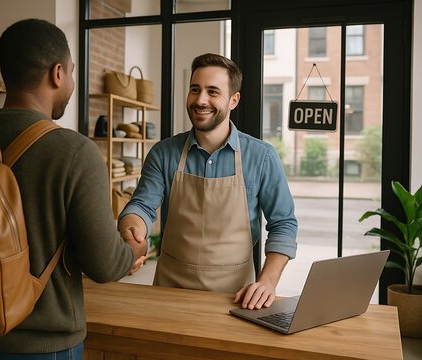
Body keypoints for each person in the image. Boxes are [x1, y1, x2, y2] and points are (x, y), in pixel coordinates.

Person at [0, 19, 147, 359]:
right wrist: (132, 253)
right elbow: (104, 264)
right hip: (41, 346)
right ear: (58, 73)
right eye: (73, 73)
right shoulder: (74, 151)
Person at [118, 53, 297, 311]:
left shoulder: (262, 157)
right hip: (169, 296)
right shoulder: (163, 153)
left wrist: (267, 282)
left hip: (236, 299)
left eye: (213, 92)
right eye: (195, 89)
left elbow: (284, 224)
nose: (201, 100)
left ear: (233, 100)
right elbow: (142, 206)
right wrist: (132, 232)